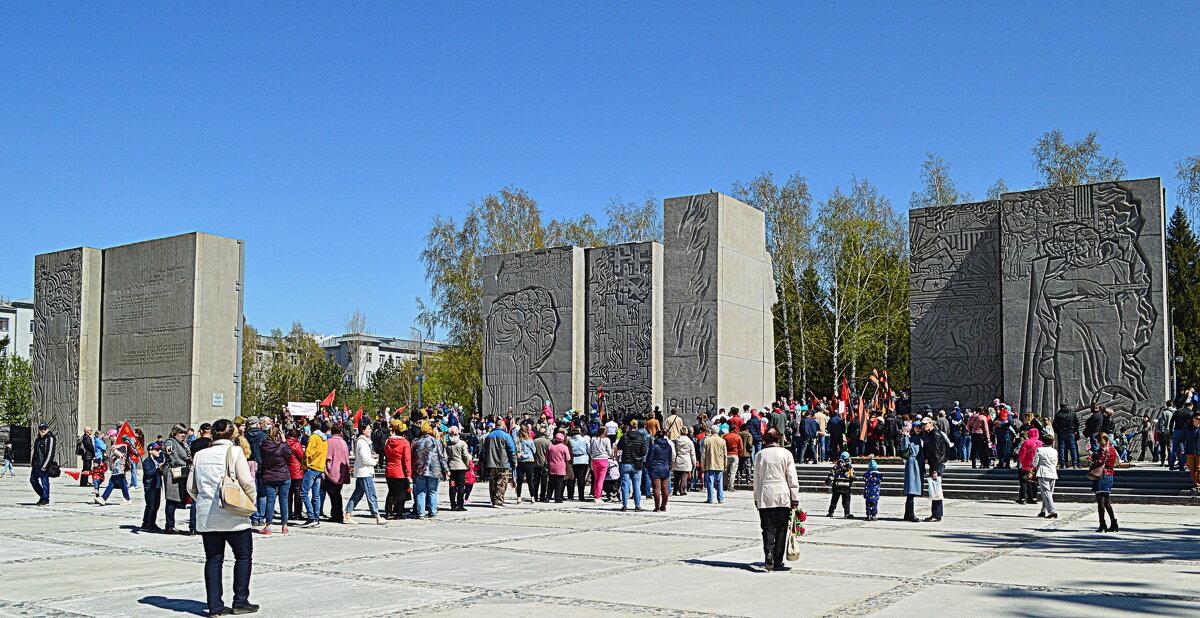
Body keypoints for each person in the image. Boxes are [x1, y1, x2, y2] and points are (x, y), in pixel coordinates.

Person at [187, 418, 258, 616]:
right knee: (243, 557)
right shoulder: (235, 451)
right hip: (234, 514)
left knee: (213, 560)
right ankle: (240, 600)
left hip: (208, 517)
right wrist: (249, 504)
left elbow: (191, 487)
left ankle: (215, 606)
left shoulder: (200, 455)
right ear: (232, 434)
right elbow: (247, 482)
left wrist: (204, 499)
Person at [753, 428, 799, 572]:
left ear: (765, 439)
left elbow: (756, 479)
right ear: (779, 439)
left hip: (765, 494)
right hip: (782, 494)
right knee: (781, 528)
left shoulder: (760, 455)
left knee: (767, 528)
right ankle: (778, 559)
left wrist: (756, 498)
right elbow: (791, 477)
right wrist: (795, 497)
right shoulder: (786, 454)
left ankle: (769, 552)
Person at [345, 424, 385, 525]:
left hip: (363, 471)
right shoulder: (362, 442)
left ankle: (347, 514)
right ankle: (377, 516)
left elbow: (364, 456)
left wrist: (371, 456)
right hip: (364, 472)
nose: (370, 430)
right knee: (371, 494)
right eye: (368, 429)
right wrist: (374, 461)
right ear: (363, 430)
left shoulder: (363, 442)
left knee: (357, 494)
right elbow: (364, 459)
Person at [258, 425, 295, 533]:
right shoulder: (282, 446)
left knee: (270, 501)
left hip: (269, 475)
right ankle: (284, 525)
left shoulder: (263, 446)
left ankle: (268, 525)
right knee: (284, 500)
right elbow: (289, 453)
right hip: (283, 474)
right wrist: (284, 440)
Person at [411, 422, 448, 518]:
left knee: (420, 491)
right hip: (434, 469)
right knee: (433, 491)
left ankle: (421, 513)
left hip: (419, 469)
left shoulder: (415, 442)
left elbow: (412, 456)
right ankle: (433, 511)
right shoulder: (436, 441)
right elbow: (441, 456)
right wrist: (446, 469)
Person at [163, 424, 193, 534]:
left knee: (176, 500)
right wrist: (167, 450)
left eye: (184, 433)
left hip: (181, 473)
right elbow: (167, 448)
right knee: (171, 500)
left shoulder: (183, 443)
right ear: (175, 433)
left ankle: (171, 525)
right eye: (181, 433)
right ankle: (169, 526)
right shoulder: (171, 441)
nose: (183, 435)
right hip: (173, 473)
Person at [298, 421, 328, 528]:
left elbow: (308, 453)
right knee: (316, 494)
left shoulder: (313, 437)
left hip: (311, 467)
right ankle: (316, 517)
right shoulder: (324, 438)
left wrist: (304, 464)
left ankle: (311, 517)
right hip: (320, 467)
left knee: (304, 493)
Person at [480, 423, 516, 508]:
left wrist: (484, 461)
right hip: (503, 463)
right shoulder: (506, 436)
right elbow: (512, 449)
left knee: (493, 482)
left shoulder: (489, 436)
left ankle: (493, 500)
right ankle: (498, 501)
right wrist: (514, 461)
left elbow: (484, 450)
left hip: (491, 463)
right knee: (502, 482)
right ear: (503, 427)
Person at [617, 420, 649, 511]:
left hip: (625, 462)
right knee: (636, 485)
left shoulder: (624, 437)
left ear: (630, 427)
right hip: (637, 464)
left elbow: (619, 447)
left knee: (625, 485)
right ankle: (637, 505)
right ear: (637, 427)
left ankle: (624, 505)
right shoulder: (641, 438)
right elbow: (644, 452)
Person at [1091, 433, 1119, 532]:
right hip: (1109, 474)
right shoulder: (1112, 449)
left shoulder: (1103, 450)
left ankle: (1102, 524)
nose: (1097, 443)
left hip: (1101, 475)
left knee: (1100, 502)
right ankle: (1114, 523)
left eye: (1097, 441)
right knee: (1106, 501)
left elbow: (1099, 462)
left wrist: (1093, 456)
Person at [383, 422, 412, 518]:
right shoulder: (405, 443)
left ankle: (388, 511)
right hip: (400, 471)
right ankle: (398, 513)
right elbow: (407, 459)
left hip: (389, 470)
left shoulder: (388, 441)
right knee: (401, 493)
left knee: (391, 491)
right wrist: (408, 473)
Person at [923, 416, 948, 522]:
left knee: (936, 489)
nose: (924, 426)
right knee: (935, 489)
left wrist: (935, 470)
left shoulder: (935, 435)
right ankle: (935, 513)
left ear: (931, 424)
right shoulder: (931, 434)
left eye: (925, 424)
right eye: (923, 424)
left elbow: (937, 453)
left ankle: (937, 514)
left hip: (937, 464)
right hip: (935, 464)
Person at [95, 439, 131, 505]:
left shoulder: (122, 446)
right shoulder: (115, 445)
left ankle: (103, 498)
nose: (110, 438)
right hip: (116, 468)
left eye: (111, 436)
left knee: (112, 482)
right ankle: (127, 498)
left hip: (119, 468)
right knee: (122, 483)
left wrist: (115, 450)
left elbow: (122, 455)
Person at [1032, 432, 1058, 518]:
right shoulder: (1054, 451)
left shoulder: (1039, 450)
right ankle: (1043, 510)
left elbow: (1035, 463)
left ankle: (1052, 511)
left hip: (1043, 472)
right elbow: (1056, 462)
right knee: (1049, 492)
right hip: (1053, 472)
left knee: (1046, 493)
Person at [647, 430, 674, 512]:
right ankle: (664, 506)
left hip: (655, 468)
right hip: (665, 468)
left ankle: (657, 506)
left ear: (657, 437)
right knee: (665, 488)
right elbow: (670, 458)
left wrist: (648, 467)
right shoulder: (668, 445)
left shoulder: (654, 446)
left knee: (656, 488)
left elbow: (649, 458)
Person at [30, 423, 57, 506]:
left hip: (43, 465)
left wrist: (45, 465)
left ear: (47, 429)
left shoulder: (50, 438)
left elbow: (50, 453)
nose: (43, 430)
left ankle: (45, 499)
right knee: (33, 480)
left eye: (45, 429)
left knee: (45, 482)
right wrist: (33, 463)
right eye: (41, 428)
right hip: (36, 465)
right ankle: (43, 495)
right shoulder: (38, 439)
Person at [901, 423, 923, 522]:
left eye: (920, 428)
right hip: (912, 463)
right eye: (916, 427)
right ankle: (910, 514)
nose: (918, 429)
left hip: (918, 463)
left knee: (913, 488)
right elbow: (904, 447)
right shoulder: (909, 437)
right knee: (911, 488)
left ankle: (907, 514)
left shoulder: (921, 438)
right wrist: (905, 436)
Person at [701, 426, 728, 505]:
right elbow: (725, 454)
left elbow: (703, 454)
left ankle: (710, 498)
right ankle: (720, 498)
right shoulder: (722, 441)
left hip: (710, 462)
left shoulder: (707, 440)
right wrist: (725, 464)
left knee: (710, 481)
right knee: (720, 481)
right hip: (719, 463)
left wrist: (703, 464)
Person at [140, 442, 164, 531]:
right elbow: (148, 473)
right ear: (150, 451)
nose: (159, 451)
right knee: (150, 505)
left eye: (159, 449)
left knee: (156, 505)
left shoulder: (157, 460)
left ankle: (152, 522)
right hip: (150, 486)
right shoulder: (147, 461)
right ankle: (146, 522)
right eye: (157, 450)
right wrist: (158, 468)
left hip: (157, 485)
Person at [446, 426, 471, 510]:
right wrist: (467, 465)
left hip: (451, 467)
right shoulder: (462, 443)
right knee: (461, 486)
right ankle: (460, 505)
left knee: (452, 485)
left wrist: (446, 467)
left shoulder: (447, 444)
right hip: (461, 467)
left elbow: (445, 457)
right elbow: (465, 456)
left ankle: (453, 505)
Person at [825, 452, 855, 518]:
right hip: (846, 486)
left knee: (834, 500)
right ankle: (847, 513)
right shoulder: (850, 467)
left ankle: (831, 512)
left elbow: (832, 475)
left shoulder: (836, 466)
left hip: (837, 486)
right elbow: (852, 476)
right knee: (846, 501)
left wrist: (827, 481)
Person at [587, 426, 613, 500]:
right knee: (601, 480)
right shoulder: (607, 439)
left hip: (595, 460)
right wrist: (612, 457)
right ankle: (598, 496)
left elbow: (590, 450)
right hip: (603, 459)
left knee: (596, 478)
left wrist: (592, 456)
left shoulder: (593, 439)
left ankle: (595, 494)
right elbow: (609, 450)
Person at [284, 430, 305, 521]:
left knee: (288, 494)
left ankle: (288, 513)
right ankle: (297, 513)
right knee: (298, 493)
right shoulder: (296, 444)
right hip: (297, 471)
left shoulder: (283, 443)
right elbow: (301, 457)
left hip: (286, 470)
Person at [1016, 428, 1041, 505]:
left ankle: (1023, 498)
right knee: (1033, 482)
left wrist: (1021, 461)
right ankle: (1033, 498)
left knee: (1024, 482)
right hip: (1035, 465)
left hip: (1026, 464)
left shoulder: (1027, 442)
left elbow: (1022, 454)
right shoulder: (1040, 443)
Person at [671, 427, 697, 497]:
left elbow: (674, 451)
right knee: (684, 476)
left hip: (678, 459)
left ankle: (675, 490)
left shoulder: (676, 441)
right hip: (686, 459)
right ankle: (682, 490)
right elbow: (693, 454)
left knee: (676, 476)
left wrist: (673, 460)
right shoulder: (689, 442)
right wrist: (694, 463)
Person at [567, 428, 591, 501]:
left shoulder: (570, 441)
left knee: (571, 479)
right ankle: (581, 496)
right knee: (581, 479)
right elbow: (589, 450)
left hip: (573, 460)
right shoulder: (584, 440)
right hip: (583, 460)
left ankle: (570, 496)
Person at [514, 426, 536, 503]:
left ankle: (518, 497)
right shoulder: (530, 440)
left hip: (520, 461)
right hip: (529, 460)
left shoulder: (517, 441)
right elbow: (534, 450)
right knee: (530, 480)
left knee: (519, 481)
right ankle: (532, 497)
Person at [546, 432, 570, 503]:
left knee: (550, 483)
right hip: (561, 467)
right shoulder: (564, 447)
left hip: (551, 466)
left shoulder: (551, 446)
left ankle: (548, 497)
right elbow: (568, 458)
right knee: (559, 483)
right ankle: (557, 498)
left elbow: (546, 456)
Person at [1184, 411, 1200, 494]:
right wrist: (1182, 449)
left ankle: (1198, 485)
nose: (1199, 420)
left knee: (1199, 468)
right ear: (1193, 419)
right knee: (1192, 469)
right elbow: (1184, 438)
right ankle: (1195, 484)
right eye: (1197, 419)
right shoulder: (1187, 428)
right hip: (1190, 451)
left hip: (1199, 451)